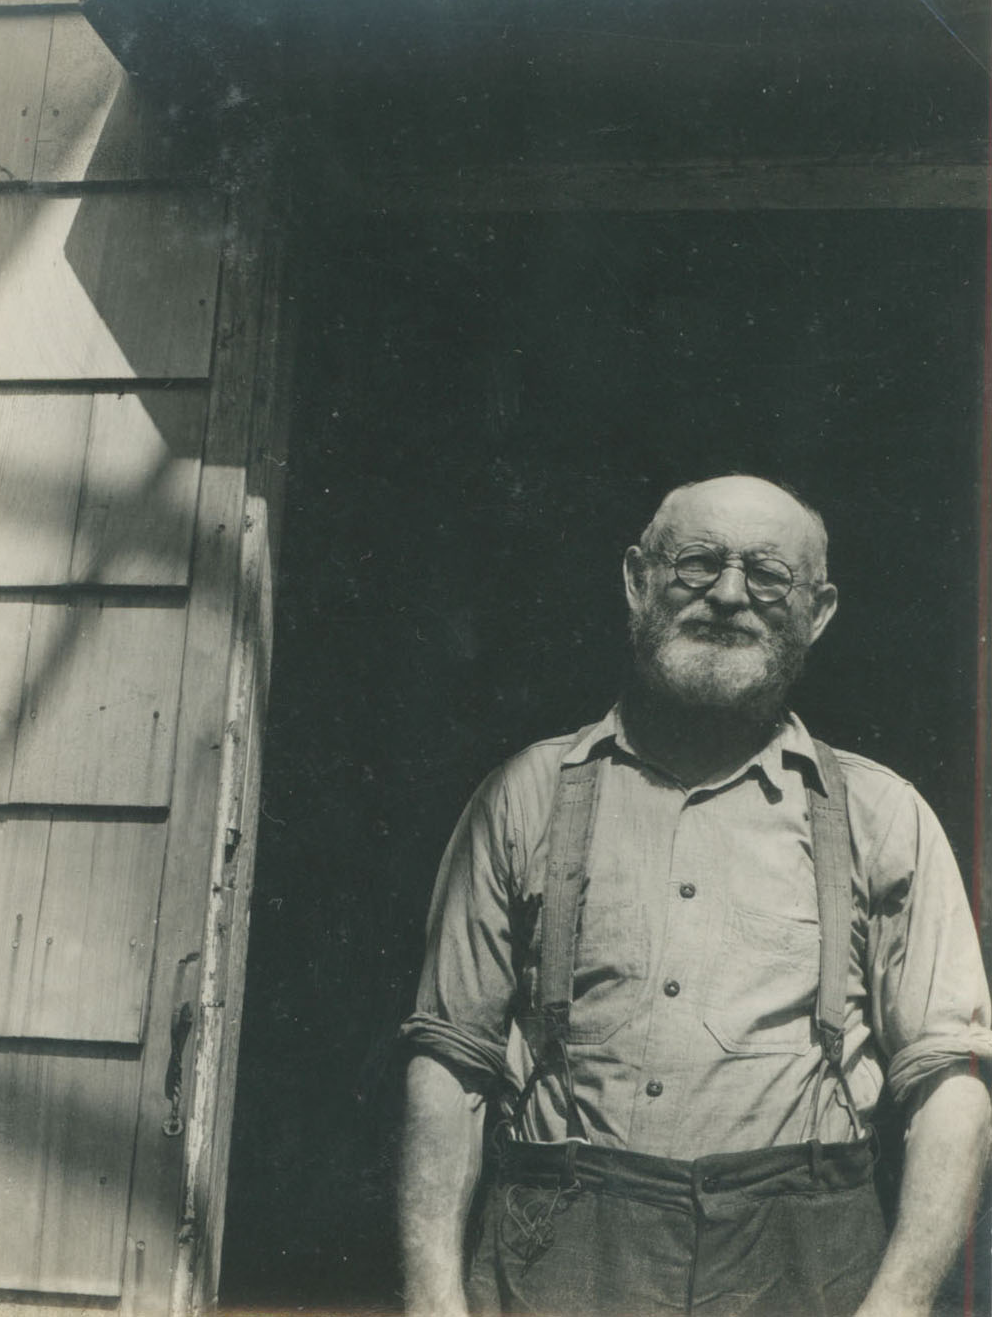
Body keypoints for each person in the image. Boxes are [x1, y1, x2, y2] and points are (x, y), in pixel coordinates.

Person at [398, 474, 992, 1317]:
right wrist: (431, 1298)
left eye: (768, 575)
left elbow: (950, 1082)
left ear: (818, 612)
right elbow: (450, 1062)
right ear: (636, 580)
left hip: (803, 1268)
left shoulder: (881, 814)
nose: (728, 595)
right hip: (559, 1261)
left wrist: (896, 1305)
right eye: (696, 563)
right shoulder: (526, 795)